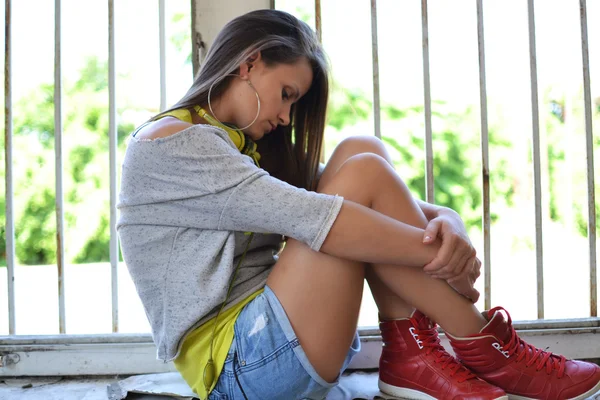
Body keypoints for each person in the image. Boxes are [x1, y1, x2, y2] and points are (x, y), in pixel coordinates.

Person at [117, 9, 600, 400]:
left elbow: (355, 196)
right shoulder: (174, 144)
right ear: (249, 63)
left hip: (278, 336)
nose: (287, 117)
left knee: (360, 151)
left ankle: (413, 354)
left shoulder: (236, 142)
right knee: (362, 173)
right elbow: (320, 216)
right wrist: (438, 253)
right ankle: (483, 344)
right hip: (240, 366)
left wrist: (448, 223)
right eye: (286, 95)